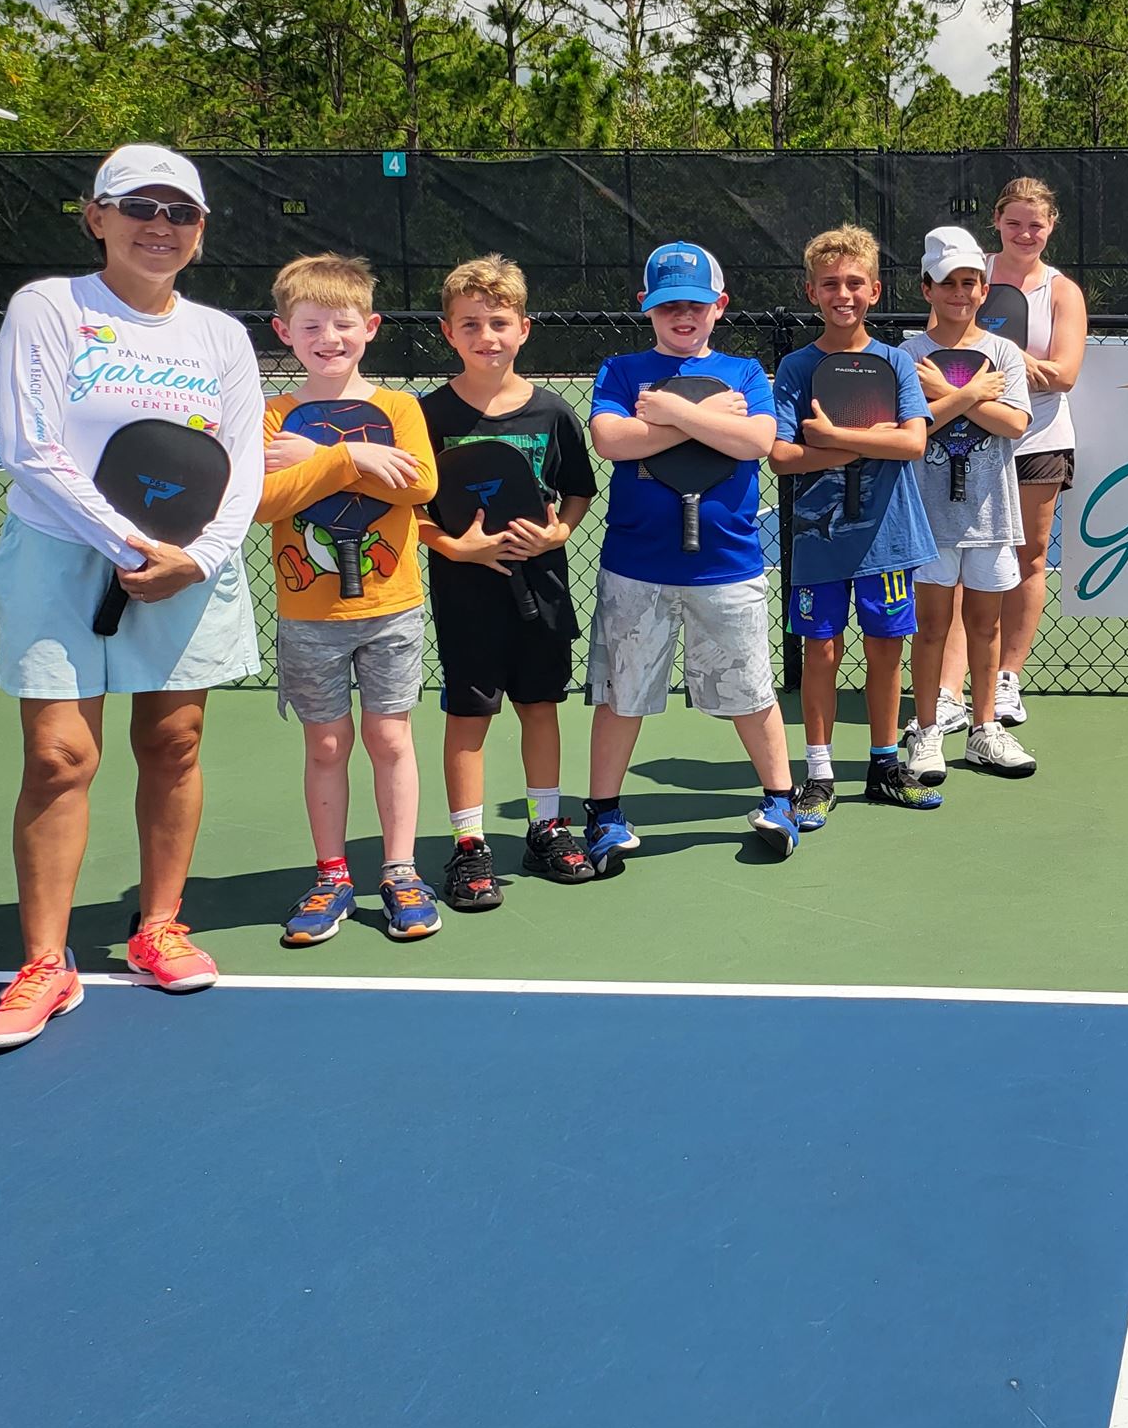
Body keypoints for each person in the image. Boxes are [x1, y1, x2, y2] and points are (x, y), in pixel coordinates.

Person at [0, 145, 265, 1052]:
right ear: (96, 217)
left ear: (201, 230)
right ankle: (44, 964)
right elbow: (30, 445)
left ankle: (159, 926)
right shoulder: (50, 306)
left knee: (174, 742)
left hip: (185, 562)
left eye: (181, 212)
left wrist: (198, 558)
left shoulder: (220, 335)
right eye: (138, 206)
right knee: (59, 757)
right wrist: (130, 544)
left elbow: (244, 462)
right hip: (61, 556)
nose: (159, 225)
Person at [582, 242, 800, 864]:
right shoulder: (622, 370)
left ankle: (779, 799)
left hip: (727, 567)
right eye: (668, 306)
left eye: (696, 305)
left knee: (752, 691)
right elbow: (612, 439)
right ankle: (604, 813)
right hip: (636, 566)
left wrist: (672, 409)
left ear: (720, 306)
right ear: (646, 307)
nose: (683, 316)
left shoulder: (745, 372)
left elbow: (756, 440)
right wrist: (708, 421)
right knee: (621, 695)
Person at [258, 254, 442, 948]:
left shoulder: (399, 408)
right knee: (327, 743)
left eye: (342, 324)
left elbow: (419, 485)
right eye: (310, 326)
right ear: (284, 331)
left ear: (370, 327)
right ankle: (332, 875)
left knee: (390, 738)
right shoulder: (273, 414)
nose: (328, 338)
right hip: (309, 615)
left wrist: (313, 458)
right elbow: (262, 502)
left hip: (391, 608)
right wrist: (351, 459)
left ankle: (400, 871)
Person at [417, 255, 600, 906]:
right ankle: (468, 846)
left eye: (499, 322)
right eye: (470, 324)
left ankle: (545, 827)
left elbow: (577, 491)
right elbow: (411, 508)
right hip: (466, 593)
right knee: (469, 715)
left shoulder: (552, 412)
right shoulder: (429, 415)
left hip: (542, 587)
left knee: (540, 706)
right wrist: (453, 547)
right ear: (448, 332)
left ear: (524, 329)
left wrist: (559, 535)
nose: (486, 336)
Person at [770, 225, 939, 820]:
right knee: (821, 651)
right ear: (811, 292)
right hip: (819, 539)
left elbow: (913, 442)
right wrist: (865, 442)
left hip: (888, 537)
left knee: (886, 649)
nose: (843, 294)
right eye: (830, 284)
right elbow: (782, 455)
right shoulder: (796, 368)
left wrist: (832, 438)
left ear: (874, 290)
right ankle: (818, 774)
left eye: (854, 283)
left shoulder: (895, 362)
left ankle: (884, 765)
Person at [951, 176, 1087, 734]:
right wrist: (1008, 369)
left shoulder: (1062, 291)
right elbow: (946, 349)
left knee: (1030, 557)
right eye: (1014, 223)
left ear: (1051, 226)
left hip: (1040, 439)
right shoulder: (970, 274)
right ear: (996, 223)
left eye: (1036, 224)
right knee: (958, 560)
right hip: (967, 439)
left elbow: (1065, 375)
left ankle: (1007, 679)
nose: (1025, 233)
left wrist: (1004, 361)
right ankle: (949, 689)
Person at [901, 226, 1035, 785]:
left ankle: (985, 730)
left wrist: (952, 396)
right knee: (932, 627)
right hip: (930, 518)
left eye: (970, 283)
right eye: (948, 283)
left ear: (983, 289)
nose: (960, 293)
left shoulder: (1003, 352)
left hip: (992, 515)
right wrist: (972, 395)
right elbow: (910, 429)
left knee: (985, 626)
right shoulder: (908, 355)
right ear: (927, 288)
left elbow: (1015, 422)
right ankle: (927, 730)